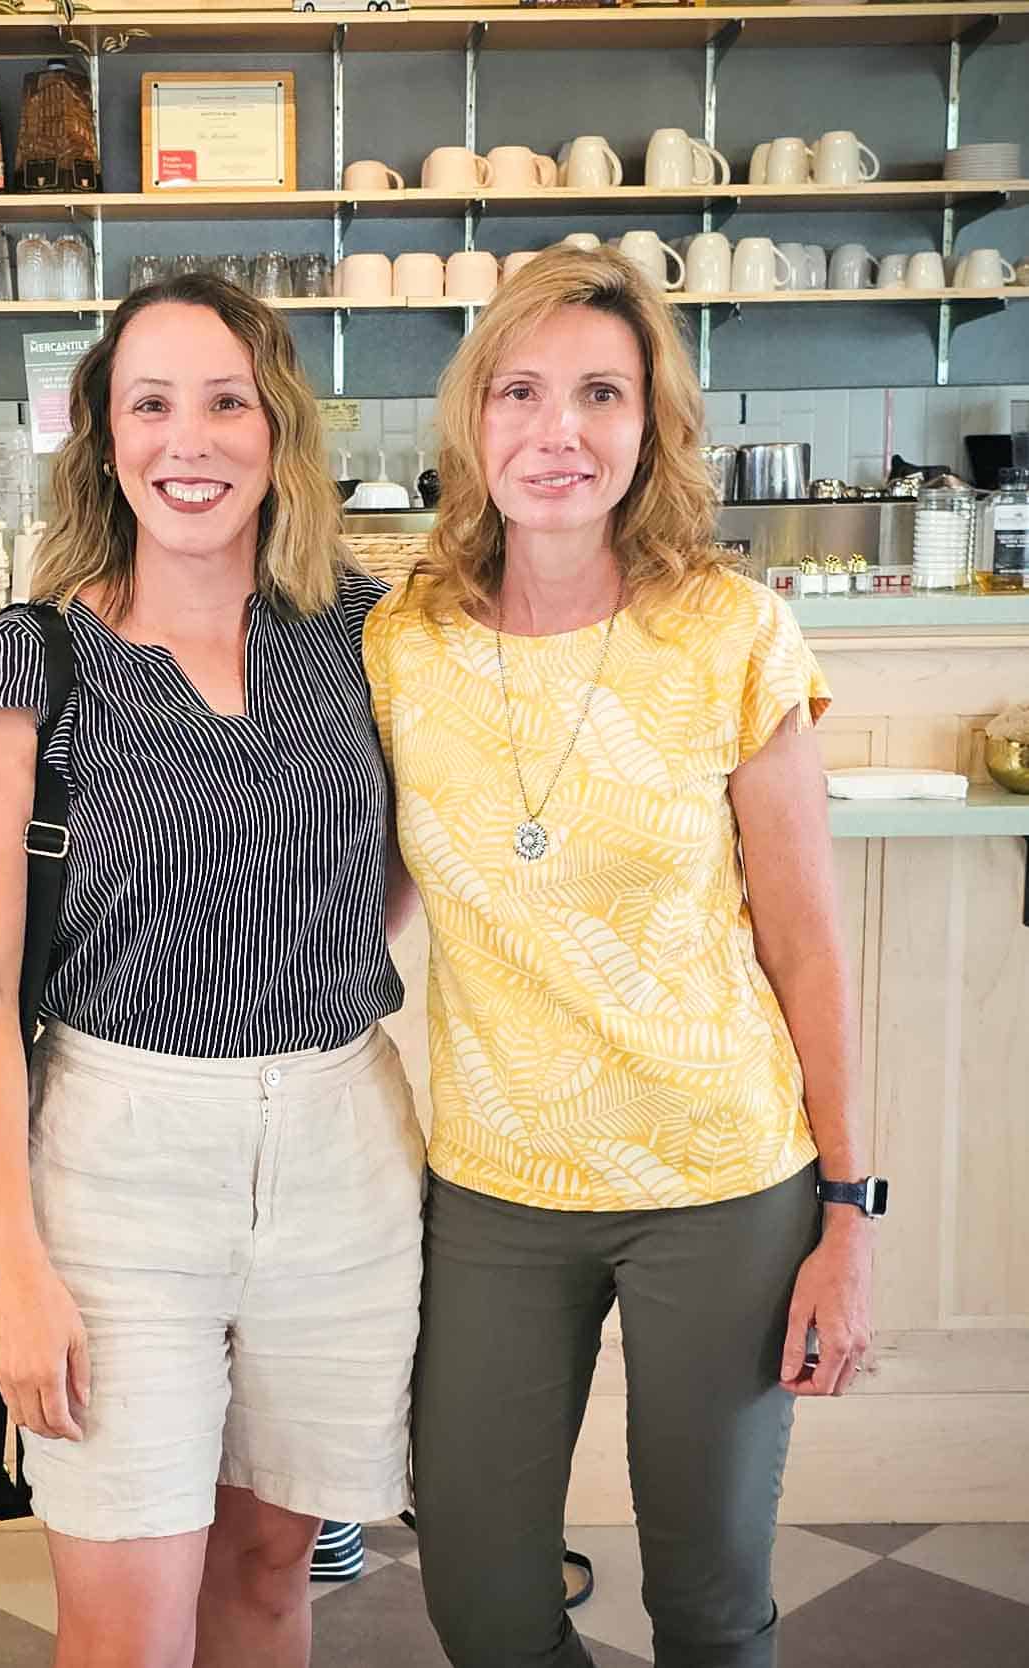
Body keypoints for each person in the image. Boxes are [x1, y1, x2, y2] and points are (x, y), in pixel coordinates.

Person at [364, 246, 877, 1668]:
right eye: (521, 392)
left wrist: (849, 1212)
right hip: (494, 1188)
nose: (558, 430)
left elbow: (807, 947)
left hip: (720, 1183)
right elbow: (379, 892)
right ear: (474, 422)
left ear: (652, 426)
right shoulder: (403, 642)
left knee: (711, 1609)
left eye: (602, 392)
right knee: (481, 1600)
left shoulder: (731, 636)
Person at [0, 271, 425, 1668]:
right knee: (127, 1627)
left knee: (271, 1580)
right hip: (114, 1172)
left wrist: (286, 976)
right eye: (150, 404)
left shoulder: (366, 641)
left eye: (225, 401)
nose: (187, 440)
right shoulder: (38, 661)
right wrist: (12, 1264)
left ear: (278, 431)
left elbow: (376, 879)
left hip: (343, 1154)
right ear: (100, 436)